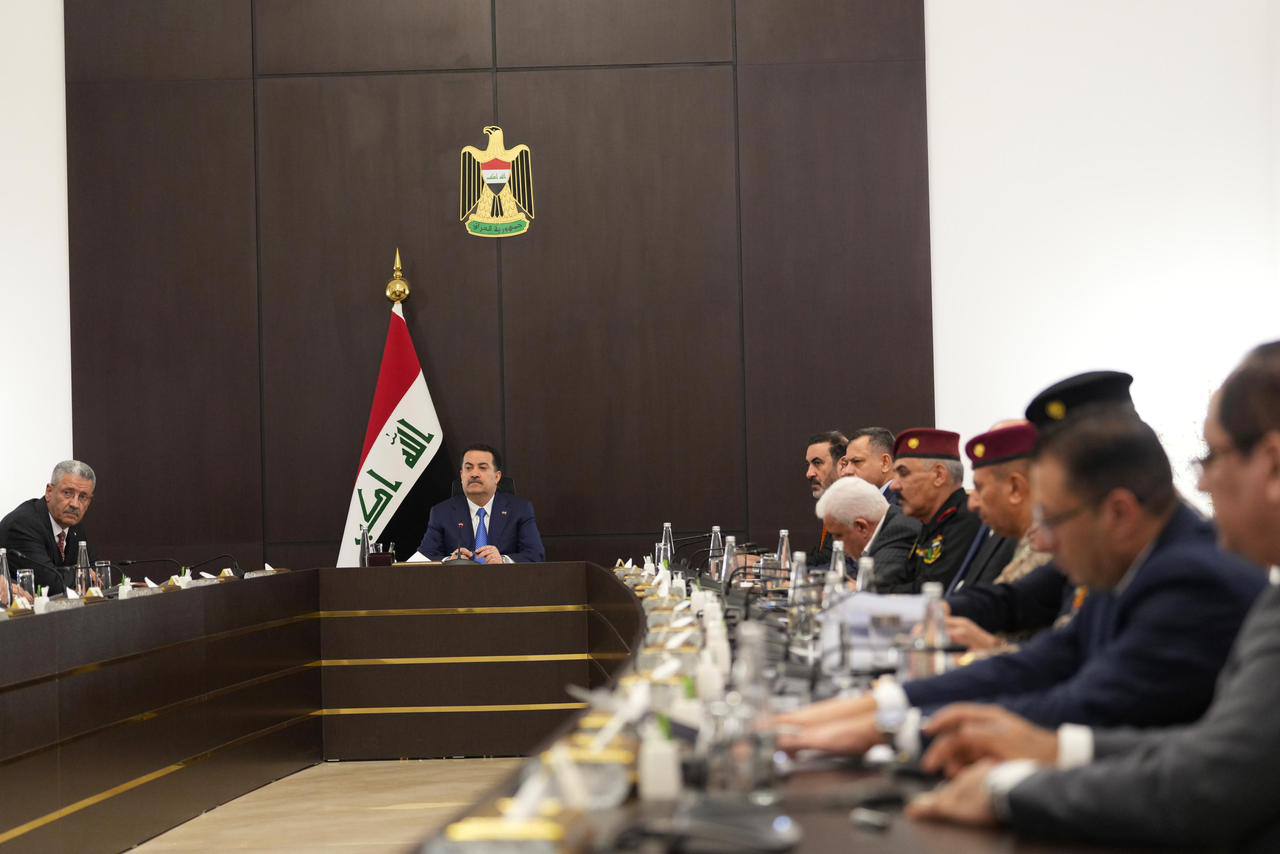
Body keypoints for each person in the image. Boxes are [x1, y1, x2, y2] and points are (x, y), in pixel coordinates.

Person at [907, 341, 1280, 849]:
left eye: (1212, 456)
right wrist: (1055, 751)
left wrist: (1005, 787)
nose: (1203, 482)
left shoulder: (1192, 575)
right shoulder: (1142, 564)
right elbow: (1203, 749)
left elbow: (1210, 782)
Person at [775, 410, 1265, 756]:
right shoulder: (1131, 563)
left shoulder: (1190, 577)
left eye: (1052, 520)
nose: (1042, 540)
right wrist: (884, 704)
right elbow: (1044, 654)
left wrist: (898, 729)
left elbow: (1087, 703)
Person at [944, 422, 1053, 648]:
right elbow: (1009, 599)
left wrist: (992, 648)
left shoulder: (1052, 544)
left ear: (1015, 488)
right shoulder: (1029, 539)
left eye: (979, 488)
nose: (972, 503)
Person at [886, 428, 983, 593]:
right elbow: (906, 577)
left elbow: (933, 590)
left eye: (903, 473)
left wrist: (875, 593)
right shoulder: (931, 521)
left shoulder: (967, 519)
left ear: (939, 475)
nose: (894, 485)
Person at [413, 444, 545, 564]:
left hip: (504, 581)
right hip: (459, 581)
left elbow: (536, 555)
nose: (474, 474)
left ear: (497, 477)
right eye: (468, 468)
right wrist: (449, 561)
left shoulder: (520, 510)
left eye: (482, 468)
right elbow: (423, 557)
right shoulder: (441, 512)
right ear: (461, 475)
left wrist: (503, 560)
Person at [0, 460, 96, 596]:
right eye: (67, 493)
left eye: (83, 497)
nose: (75, 504)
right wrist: (82, 574)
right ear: (49, 492)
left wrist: (85, 575)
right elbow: (50, 585)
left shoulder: (75, 526)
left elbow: (96, 573)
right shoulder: (23, 524)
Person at [813, 475, 918, 589]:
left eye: (838, 536)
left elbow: (876, 589)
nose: (836, 544)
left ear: (861, 527)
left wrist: (853, 588)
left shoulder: (899, 531)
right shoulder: (889, 526)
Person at [804, 431, 848, 564]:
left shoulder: (851, 506)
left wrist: (779, 566)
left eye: (817, 463)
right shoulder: (833, 504)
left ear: (842, 465)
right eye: (808, 464)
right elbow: (822, 556)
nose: (809, 474)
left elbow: (830, 562)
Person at [839, 427, 900, 505]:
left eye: (857, 461)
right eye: (846, 463)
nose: (847, 471)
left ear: (885, 463)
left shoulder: (903, 506)